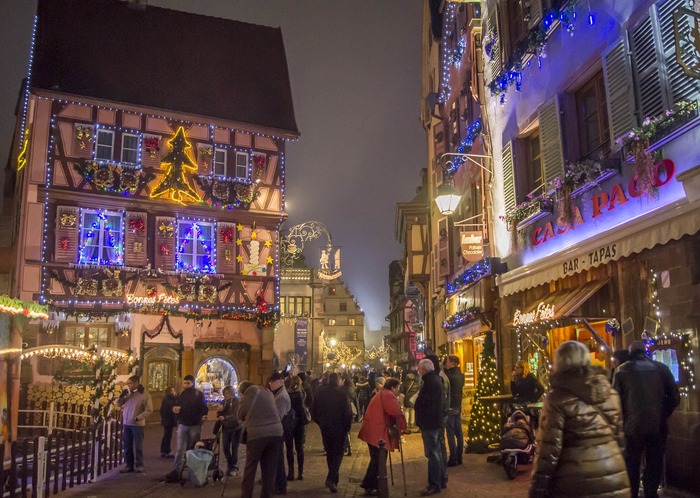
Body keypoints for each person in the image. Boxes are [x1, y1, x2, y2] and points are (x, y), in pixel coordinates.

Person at [529, 341, 630, 498]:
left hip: (575, 482)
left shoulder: (556, 399)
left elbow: (547, 453)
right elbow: (619, 439)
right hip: (614, 474)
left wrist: (537, 490)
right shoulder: (609, 393)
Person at [613, 340, 680, 498]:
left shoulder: (621, 371)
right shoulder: (661, 368)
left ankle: (633, 494)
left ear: (631, 353)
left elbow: (615, 401)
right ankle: (651, 493)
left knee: (632, 464)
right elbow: (675, 397)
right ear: (645, 352)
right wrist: (663, 413)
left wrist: (621, 422)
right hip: (657, 426)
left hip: (631, 428)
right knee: (654, 463)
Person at [358, 378, 407, 496]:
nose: (398, 391)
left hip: (373, 429)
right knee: (378, 459)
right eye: (398, 388)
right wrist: (402, 427)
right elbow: (395, 412)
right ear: (393, 388)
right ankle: (369, 484)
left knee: (376, 459)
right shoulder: (388, 395)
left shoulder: (382, 393)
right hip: (377, 430)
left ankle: (372, 485)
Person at [238, 380, 284, 498]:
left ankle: (246, 495)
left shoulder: (246, 397)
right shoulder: (267, 392)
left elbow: (240, 415)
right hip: (276, 433)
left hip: (257, 435)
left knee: (250, 467)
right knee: (269, 468)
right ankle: (266, 495)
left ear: (243, 391)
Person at [311, 372, 353, 493]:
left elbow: (313, 411)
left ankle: (334, 478)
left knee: (330, 453)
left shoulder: (320, 394)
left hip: (326, 427)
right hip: (339, 428)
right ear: (338, 381)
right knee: (338, 453)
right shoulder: (342, 394)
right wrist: (347, 427)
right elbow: (348, 413)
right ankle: (331, 478)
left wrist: (320, 423)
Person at [165, 375, 208, 482]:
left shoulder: (198, 394)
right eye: (184, 383)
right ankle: (177, 471)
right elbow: (176, 405)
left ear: (193, 383)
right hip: (183, 424)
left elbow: (203, 408)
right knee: (180, 449)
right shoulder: (181, 394)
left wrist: (202, 416)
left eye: (188, 383)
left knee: (192, 449)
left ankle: (192, 471)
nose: (186, 385)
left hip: (194, 424)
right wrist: (175, 410)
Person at [414, 358, 445, 496]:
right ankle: (440, 480)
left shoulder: (430, 383)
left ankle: (434, 484)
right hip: (434, 422)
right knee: (436, 453)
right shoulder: (434, 381)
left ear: (424, 369)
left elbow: (426, 404)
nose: (418, 371)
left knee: (433, 454)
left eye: (419, 369)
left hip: (430, 423)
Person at [115, 375, 153, 474]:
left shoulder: (145, 395)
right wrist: (121, 397)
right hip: (126, 423)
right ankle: (129, 465)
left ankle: (139, 465)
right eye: (128, 383)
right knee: (127, 445)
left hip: (137, 424)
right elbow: (118, 404)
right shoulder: (128, 393)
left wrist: (138, 417)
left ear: (136, 383)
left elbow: (149, 410)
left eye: (130, 383)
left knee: (138, 445)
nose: (128, 385)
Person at [269, 371, 292, 495]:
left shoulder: (281, 396)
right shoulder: (279, 394)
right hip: (278, 429)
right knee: (277, 458)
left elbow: (277, 415)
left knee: (278, 459)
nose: (270, 384)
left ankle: (280, 485)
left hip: (279, 430)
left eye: (272, 382)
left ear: (278, 382)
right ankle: (278, 484)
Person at [285, 375, 308, 481]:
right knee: (299, 449)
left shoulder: (287, 395)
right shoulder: (302, 394)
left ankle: (291, 472)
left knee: (289, 448)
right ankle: (301, 472)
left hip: (289, 423)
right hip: (299, 423)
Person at [443, 355, 465, 466]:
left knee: (450, 433)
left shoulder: (448, 376)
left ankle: (453, 457)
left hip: (450, 406)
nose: (445, 363)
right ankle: (460, 456)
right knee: (459, 433)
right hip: (458, 405)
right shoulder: (461, 375)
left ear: (452, 363)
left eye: (447, 361)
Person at [216, 385, 242, 476]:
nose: (226, 395)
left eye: (227, 393)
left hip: (236, 427)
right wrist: (219, 411)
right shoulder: (224, 402)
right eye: (225, 393)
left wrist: (225, 417)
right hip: (226, 427)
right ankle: (230, 464)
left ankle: (233, 466)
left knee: (234, 448)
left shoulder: (236, 401)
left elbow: (235, 414)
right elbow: (219, 416)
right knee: (225, 447)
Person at [159, 386, 177, 458]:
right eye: (173, 390)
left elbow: (162, 410)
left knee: (166, 435)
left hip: (166, 419)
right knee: (168, 436)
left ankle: (163, 451)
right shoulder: (171, 399)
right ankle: (167, 451)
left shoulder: (165, 399)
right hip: (169, 420)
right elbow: (172, 410)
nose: (174, 391)